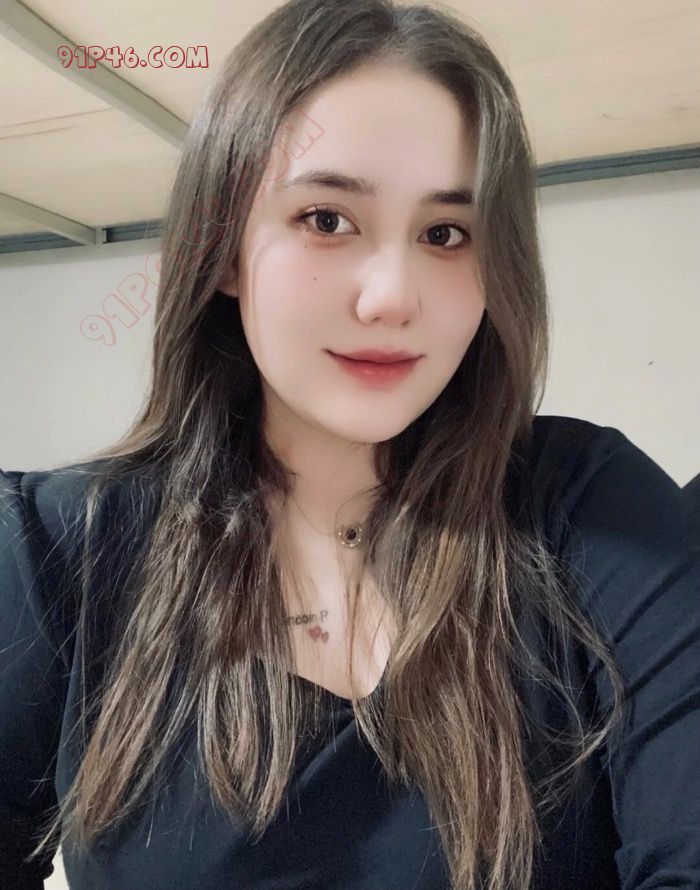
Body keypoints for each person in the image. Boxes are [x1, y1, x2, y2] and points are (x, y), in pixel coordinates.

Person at [1, 1, 698, 888]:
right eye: (327, 219)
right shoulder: (56, 549)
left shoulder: (593, 509)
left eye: (446, 234)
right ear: (223, 248)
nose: (392, 296)